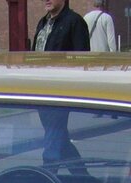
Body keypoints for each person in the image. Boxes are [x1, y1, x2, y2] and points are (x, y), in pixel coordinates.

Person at [31, 0, 90, 164]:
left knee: (53, 135)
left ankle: (48, 177)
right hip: (40, 91)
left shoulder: (74, 22)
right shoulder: (42, 23)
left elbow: (82, 60)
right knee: (59, 137)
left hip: (60, 92)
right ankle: (85, 180)